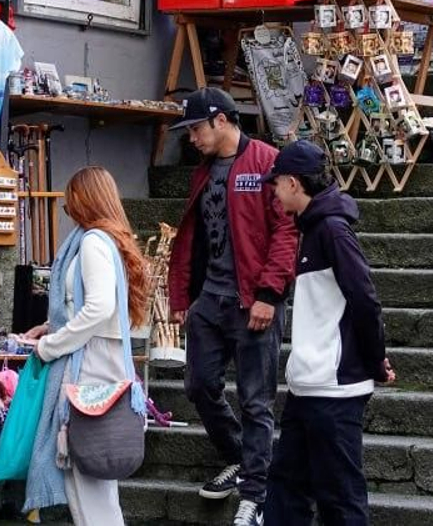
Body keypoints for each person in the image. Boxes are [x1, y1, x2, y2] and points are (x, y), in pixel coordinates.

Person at [167, 87, 297, 526]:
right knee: (198, 385)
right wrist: (182, 296)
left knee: (256, 400)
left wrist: (269, 294)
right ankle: (242, 457)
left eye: (196, 128)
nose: (191, 138)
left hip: (253, 300)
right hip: (212, 298)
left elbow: (286, 231)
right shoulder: (202, 172)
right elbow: (190, 236)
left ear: (221, 120)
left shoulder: (265, 161)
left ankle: (257, 494)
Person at [263, 140, 396, 526]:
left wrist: (374, 361)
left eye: (275, 185)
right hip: (310, 384)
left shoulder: (333, 231)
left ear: (292, 183)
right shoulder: (314, 228)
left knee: (339, 495)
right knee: (286, 487)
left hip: (334, 387)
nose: (273, 193)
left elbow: (364, 298)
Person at [23, 166, 152, 526]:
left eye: (71, 199)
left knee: (88, 480)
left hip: (90, 366)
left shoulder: (93, 242)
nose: (67, 207)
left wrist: (51, 344)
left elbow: (97, 308)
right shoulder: (110, 240)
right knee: (93, 485)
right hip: (103, 360)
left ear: (84, 200)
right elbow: (93, 307)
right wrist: (50, 326)